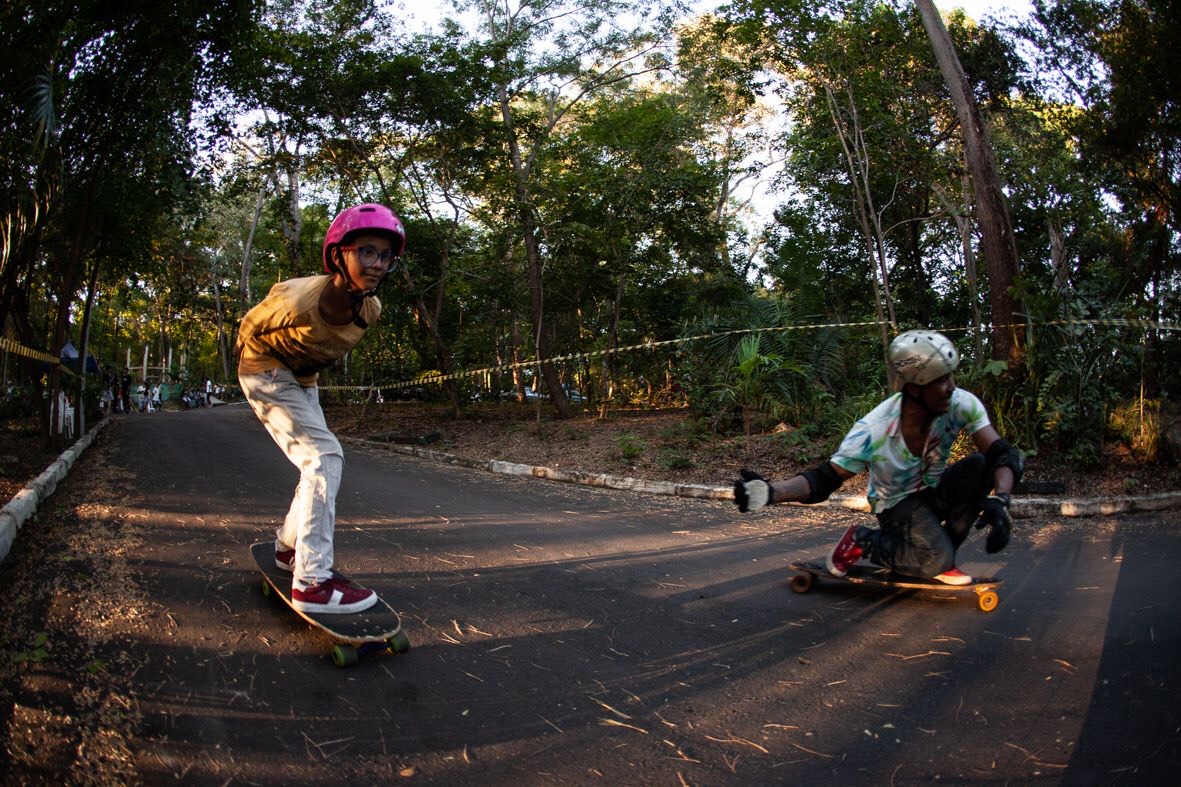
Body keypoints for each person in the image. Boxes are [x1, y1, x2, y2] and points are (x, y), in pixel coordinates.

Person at [733, 330, 1022, 585]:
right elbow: (825, 478)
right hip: (897, 504)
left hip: (934, 490)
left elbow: (1000, 452)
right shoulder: (875, 430)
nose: (950, 387)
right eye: (941, 380)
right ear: (914, 389)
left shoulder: (960, 402)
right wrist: (770, 492)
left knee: (979, 465)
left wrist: (1002, 499)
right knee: (935, 558)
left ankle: (936, 559)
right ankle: (864, 541)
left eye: (950, 377)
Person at [236, 203, 405, 614]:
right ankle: (312, 582)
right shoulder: (298, 298)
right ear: (338, 254)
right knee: (324, 456)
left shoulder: (370, 310)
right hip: (266, 370)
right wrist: (259, 374)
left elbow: (322, 348)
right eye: (366, 251)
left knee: (316, 464)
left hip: (303, 379)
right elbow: (247, 329)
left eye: (385, 256)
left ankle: (288, 550)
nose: (377, 263)